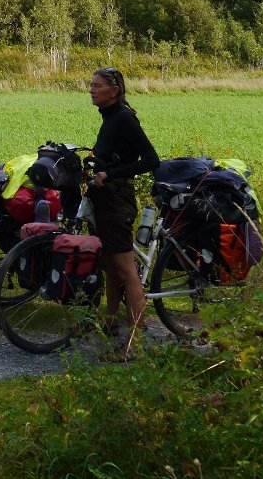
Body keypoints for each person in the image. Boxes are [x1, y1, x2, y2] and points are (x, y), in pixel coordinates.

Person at [88, 66, 159, 361]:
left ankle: (133, 345)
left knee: (126, 269)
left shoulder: (124, 118)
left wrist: (111, 174)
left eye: (97, 85)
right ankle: (111, 320)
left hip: (117, 200)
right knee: (108, 263)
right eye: (90, 85)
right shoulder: (109, 117)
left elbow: (151, 160)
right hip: (105, 199)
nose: (91, 89)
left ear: (114, 91)